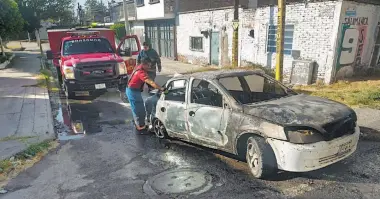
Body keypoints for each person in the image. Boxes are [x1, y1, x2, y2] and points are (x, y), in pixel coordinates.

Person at [126, 57, 165, 132]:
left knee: (137, 108)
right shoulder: (140, 72)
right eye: (148, 65)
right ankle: (140, 128)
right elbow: (150, 82)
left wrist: (151, 88)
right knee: (139, 110)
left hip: (134, 90)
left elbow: (148, 82)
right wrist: (161, 88)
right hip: (132, 91)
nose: (149, 67)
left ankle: (139, 124)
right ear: (143, 64)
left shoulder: (139, 68)